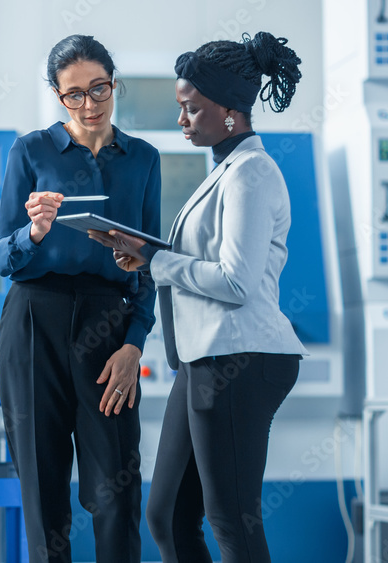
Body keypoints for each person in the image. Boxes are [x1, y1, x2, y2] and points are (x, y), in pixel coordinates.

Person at [88, 31, 308, 562]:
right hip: (202, 359)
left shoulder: (251, 174)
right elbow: (208, 262)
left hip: (240, 357)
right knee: (166, 516)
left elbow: (236, 281)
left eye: (190, 109)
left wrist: (157, 261)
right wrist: (145, 252)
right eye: (180, 108)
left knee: (230, 520)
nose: (182, 120)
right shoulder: (225, 171)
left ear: (230, 112)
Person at [0, 34, 161, 563]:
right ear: (57, 96)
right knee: (42, 493)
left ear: (114, 85)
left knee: (116, 489)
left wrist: (134, 345)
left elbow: (152, 263)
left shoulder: (143, 159)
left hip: (108, 326)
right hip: (33, 322)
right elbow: (0, 257)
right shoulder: (31, 150)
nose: (89, 105)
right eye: (73, 95)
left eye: (99, 89)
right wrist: (33, 234)